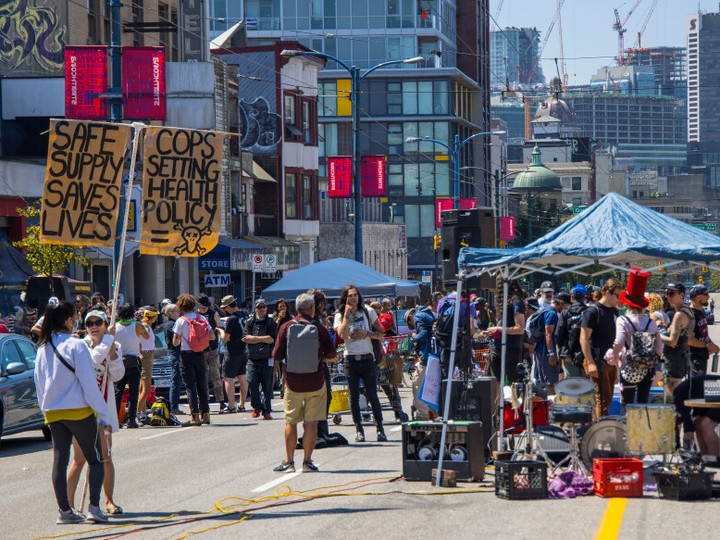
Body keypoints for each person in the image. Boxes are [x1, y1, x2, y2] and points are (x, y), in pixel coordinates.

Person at [34, 302, 110, 524]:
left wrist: (45, 408)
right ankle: (94, 508)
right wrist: (102, 412)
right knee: (96, 459)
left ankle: (64, 511)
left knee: (60, 460)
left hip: (53, 411)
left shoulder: (42, 347)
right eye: (75, 317)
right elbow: (89, 383)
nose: (77, 320)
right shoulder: (76, 345)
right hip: (78, 410)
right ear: (68, 320)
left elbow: (38, 382)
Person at [67, 310, 125, 516]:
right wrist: (107, 341)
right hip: (81, 409)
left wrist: (112, 353)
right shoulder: (79, 346)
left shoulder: (113, 346)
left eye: (98, 322)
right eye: (89, 322)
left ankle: (108, 501)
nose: (93, 326)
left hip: (103, 410)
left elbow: (118, 376)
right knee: (79, 459)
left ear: (105, 324)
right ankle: (68, 507)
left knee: (105, 457)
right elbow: (91, 362)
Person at [272, 293, 336, 473]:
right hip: (316, 382)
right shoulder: (319, 328)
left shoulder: (286, 327)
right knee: (311, 423)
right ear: (312, 309)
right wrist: (318, 358)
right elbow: (332, 356)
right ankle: (307, 462)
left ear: (296, 309)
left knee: (290, 422)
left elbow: (276, 355)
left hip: (293, 382)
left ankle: (289, 462)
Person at [333, 284, 387, 442]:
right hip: (351, 359)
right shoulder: (340, 315)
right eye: (350, 295)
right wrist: (346, 317)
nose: (353, 298)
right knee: (354, 396)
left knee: (372, 394)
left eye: (355, 295)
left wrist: (367, 333)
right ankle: (359, 429)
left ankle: (380, 428)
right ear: (345, 298)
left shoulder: (368, 311)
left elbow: (381, 333)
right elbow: (342, 335)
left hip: (367, 358)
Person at [611, 269, 663, 408]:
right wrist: (651, 358)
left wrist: (613, 356)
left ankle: (627, 428)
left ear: (627, 303)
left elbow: (619, 342)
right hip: (648, 370)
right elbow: (659, 347)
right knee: (643, 403)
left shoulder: (623, 320)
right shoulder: (650, 322)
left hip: (629, 369)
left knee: (626, 405)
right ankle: (643, 429)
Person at [580, 279, 622, 418]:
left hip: (610, 361)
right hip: (597, 361)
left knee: (608, 399)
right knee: (603, 399)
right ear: (607, 292)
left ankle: (602, 426)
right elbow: (583, 338)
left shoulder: (615, 312)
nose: (619, 299)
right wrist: (590, 362)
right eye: (617, 295)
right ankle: (601, 430)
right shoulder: (593, 311)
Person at [173, 294, 211, 426]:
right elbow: (211, 336)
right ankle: (205, 414)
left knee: (190, 385)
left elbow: (175, 342)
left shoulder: (181, 321)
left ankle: (194, 416)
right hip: (200, 353)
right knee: (202, 383)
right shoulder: (201, 318)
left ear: (181, 306)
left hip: (186, 354)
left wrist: (182, 338)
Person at [482, 278, 527, 388]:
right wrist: (492, 332)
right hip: (497, 346)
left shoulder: (516, 301)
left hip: (511, 347)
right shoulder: (504, 303)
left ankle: (513, 404)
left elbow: (520, 328)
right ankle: (498, 405)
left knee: (513, 381)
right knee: (497, 380)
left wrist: (499, 329)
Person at [110, 303, 149, 429]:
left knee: (118, 392)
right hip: (134, 362)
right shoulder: (137, 325)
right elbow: (147, 336)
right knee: (133, 392)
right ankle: (132, 419)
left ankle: (115, 419)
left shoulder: (114, 327)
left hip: (119, 362)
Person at [244, 298, 278, 419]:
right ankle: (256, 407)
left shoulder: (271, 322)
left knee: (267, 386)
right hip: (252, 359)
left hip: (267, 358)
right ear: (255, 309)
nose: (262, 309)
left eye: (263, 307)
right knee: (252, 383)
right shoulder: (249, 322)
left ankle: (267, 410)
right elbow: (246, 338)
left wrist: (255, 339)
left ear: (266, 308)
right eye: (259, 307)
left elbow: (271, 339)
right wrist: (262, 339)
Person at [660, 282, 695, 395]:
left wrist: (655, 333)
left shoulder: (679, 315)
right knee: (676, 395)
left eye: (671, 293)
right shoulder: (688, 311)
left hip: (674, 359)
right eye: (667, 293)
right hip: (681, 357)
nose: (668, 296)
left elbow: (672, 341)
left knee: (672, 398)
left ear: (682, 295)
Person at [218, 295, 249, 413]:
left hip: (232, 351)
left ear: (228, 307)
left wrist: (220, 330)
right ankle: (241, 405)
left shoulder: (231, 319)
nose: (225, 310)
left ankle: (231, 405)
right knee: (242, 377)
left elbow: (225, 339)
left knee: (228, 378)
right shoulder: (245, 315)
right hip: (244, 349)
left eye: (225, 308)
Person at [197, 295, 226, 412]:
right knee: (202, 376)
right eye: (203, 307)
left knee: (216, 375)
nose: (204, 309)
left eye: (206, 307)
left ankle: (220, 401)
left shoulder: (213, 313)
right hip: (200, 349)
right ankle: (204, 401)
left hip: (212, 348)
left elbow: (220, 326)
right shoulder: (195, 315)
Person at [555, 285, 589, 379]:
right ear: (584, 297)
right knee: (587, 386)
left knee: (571, 386)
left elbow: (558, 333)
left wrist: (562, 348)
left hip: (568, 353)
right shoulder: (589, 311)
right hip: (586, 354)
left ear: (572, 297)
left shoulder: (565, 312)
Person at [411, 300, 437, 420]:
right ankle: (435, 414)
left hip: (426, 357)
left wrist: (414, 337)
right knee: (431, 390)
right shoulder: (432, 315)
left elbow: (423, 333)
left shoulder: (418, 316)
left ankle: (423, 415)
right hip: (435, 357)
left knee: (417, 385)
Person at [687, 284, 720, 376]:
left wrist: (712, 344)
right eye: (706, 294)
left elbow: (702, 333)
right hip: (694, 358)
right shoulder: (691, 314)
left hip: (702, 357)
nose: (708, 297)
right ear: (698, 297)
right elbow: (689, 340)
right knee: (697, 386)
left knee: (703, 384)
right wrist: (707, 345)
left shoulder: (700, 312)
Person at [160, 303, 184, 415]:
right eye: (176, 311)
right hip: (175, 353)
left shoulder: (172, 324)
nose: (178, 312)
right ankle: (173, 407)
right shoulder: (171, 325)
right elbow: (177, 337)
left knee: (177, 380)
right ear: (170, 313)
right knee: (176, 380)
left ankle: (174, 406)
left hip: (176, 353)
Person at [137, 307, 158, 423]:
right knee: (146, 389)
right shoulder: (143, 326)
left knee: (142, 389)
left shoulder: (147, 326)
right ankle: (138, 413)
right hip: (145, 356)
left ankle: (142, 412)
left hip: (148, 356)